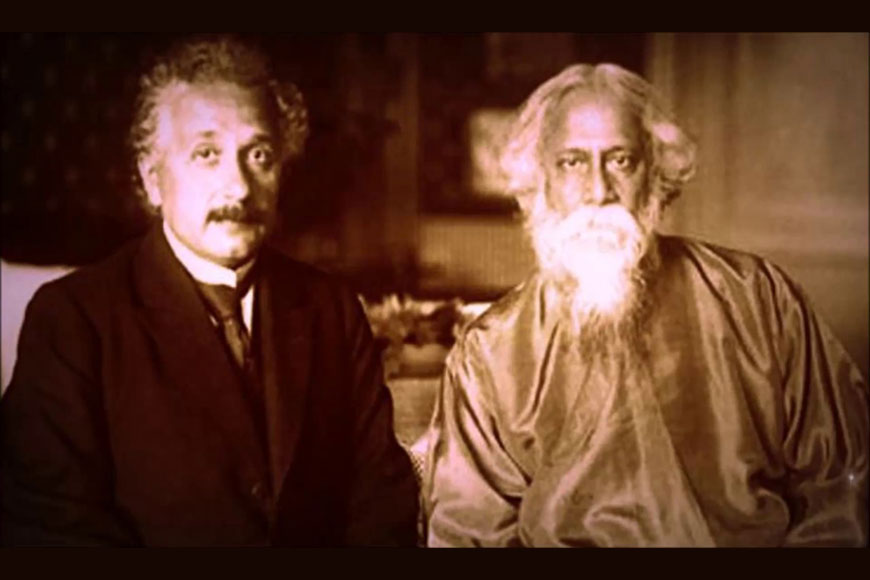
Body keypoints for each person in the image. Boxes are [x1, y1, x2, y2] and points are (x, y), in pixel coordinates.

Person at [423, 63, 868, 547]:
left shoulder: (760, 299)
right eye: (572, 163)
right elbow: (468, 535)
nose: (598, 191)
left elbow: (840, 490)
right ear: (539, 180)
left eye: (621, 161)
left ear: (655, 173)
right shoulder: (489, 353)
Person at [1, 36, 418, 546]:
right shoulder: (74, 320)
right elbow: (54, 528)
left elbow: (380, 502)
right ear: (152, 179)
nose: (239, 187)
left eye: (259, 155)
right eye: (207, 154)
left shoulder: (331, 308)